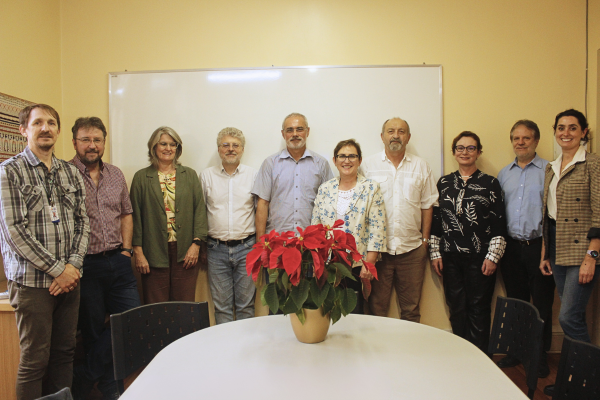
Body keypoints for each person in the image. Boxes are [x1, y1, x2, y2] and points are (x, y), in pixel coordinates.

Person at [0, 104, 90, 400]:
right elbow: (15, 232)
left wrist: (73, 267)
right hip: (33, 284)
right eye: (38, 122)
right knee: (35, 360)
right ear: (23, 129)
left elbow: (82, 222)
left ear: (58, 130)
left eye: (51, 122)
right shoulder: (9, 171)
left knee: (65, 354)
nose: (46, 128)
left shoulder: (70, 172)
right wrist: (58, 270)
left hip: (70, 281)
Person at [69, 117, 141, 399]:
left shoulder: (115, 174)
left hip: (119, 261)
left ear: (104, 142)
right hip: (85, 265)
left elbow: (126, 213)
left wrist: (126, 250)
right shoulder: (64, 174)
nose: (92, 145)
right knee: (93, 328)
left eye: (97, 139)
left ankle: (85, 374)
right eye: (85, 139)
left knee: (131, 320)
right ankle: (110, 384)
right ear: (75, 142)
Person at [539, 109, 600, 397]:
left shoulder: (593, 165)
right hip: (557, 248)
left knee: (568, 318)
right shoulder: (552, 166)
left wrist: (593, 256)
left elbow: (599, 213)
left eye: (573, 128)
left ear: (584, 132)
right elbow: (548, 215)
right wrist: (544, 253)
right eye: (561, 127)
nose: (566, 132)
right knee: (571, 315)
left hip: (583, 251)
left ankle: (589, 380)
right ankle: (574, 380)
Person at [429, 131, 507, 354]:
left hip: (481, 257)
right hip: (450, 257)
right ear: (454, 152)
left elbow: (499, 223)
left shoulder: (490, 183)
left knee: (479, 308)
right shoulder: (444, 183)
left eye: (471, 148)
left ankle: (480, 357)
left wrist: (493, 257)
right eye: (460, 148)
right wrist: (435, 253)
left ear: (479, 152)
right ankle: (461, 355)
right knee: (456, 308)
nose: (465, 152)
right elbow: (437, 220)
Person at [361, 118, 438, 321]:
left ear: (408, 137)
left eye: (401, 131)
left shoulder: (421, 166)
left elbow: (427, 205)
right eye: (391, 131)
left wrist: (425, 241)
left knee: (411, 309)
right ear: (382, 136)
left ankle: (409, 351)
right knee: (376, 308)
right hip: (378, 252)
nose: (396, 135)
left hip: (412, 250)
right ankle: (378, 352)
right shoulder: (368, 166)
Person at [496, 120, 554, 377]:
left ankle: (539, 356)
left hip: (539, 248)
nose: (520, 142)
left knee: (542, 303)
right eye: (516, 138)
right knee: (516, 302)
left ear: (536, 141)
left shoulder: (549, 171)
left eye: (526, 138)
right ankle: (516, 351)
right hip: (511, 248)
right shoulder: (503, 173)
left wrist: (548, 250)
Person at [130, 126, 207, 304]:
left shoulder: (189, 175)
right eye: (163, 143)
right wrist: (138, 252)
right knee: (156, 305)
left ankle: (184, 334)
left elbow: (199, 211)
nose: (168, 148)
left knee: (184, 304)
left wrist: (196, 244)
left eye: (173, 144)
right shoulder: (141, 177)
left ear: (178, 148)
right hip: (153, 252)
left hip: (185, 252)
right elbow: (135, 217)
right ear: (153, 147)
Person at [311, 139, 386, 311]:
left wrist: (370, 263)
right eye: (342, 156)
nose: (347, 160)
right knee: (328, 310)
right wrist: (317, 260)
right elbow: (316, 225)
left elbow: (377, 227)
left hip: (358, 264)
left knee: (354, 312)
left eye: (352, 156)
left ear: (360, 160)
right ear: (334, 160)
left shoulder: (371, 188)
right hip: (329, 262)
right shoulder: (325, 188)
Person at [201, 127, 257, 324]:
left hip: (247, 248)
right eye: (226, 145)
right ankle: (226, 350)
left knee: (246, 306)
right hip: (216, 250)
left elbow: (260, 211)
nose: (230, 149)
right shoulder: (206, 176)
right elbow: (201, 212)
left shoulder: (253, 175)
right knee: (222, 308)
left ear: (242, 149)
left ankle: (246, 350)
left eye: (235, 145)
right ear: (219, 149)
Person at [252, 113, 333, 238]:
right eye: (290, 130)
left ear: (307, 131)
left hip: (311, 241)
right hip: (277, 240)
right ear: (283, 134)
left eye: (299, 129)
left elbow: (329, 203)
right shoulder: (270, 163)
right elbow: (262, 204)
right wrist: (261, 243)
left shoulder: (321, 164)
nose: (295, 134)